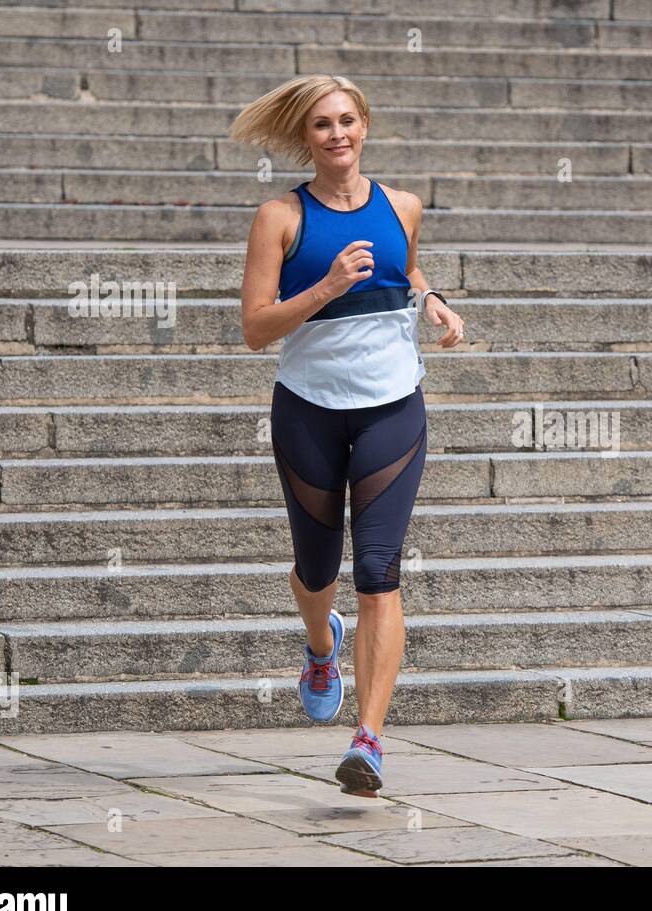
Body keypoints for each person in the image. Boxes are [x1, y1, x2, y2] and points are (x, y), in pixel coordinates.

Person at [229, 75, 464, 797]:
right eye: (323, 125)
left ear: (366, 126)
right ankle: (319, 645)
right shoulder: (280, 218)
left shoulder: (403, 205)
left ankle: (369, 741)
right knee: (316, 568)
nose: (338, 134)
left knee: (379, 571)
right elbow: (253, 328)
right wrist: (325, 288)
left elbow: (406, 264)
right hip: (309, 408)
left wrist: (433, 301)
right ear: (307, 137)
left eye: (348, 121)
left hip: (392, 405)